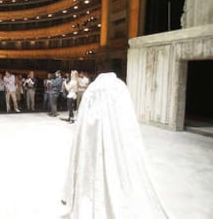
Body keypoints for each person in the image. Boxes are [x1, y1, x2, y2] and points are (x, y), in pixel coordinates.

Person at [61, 73, 168, 219]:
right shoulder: (120, 88)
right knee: (117, 164)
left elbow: (84, 118)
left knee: (93, 165)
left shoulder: (93, 89)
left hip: (92, 135)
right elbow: (127, 116)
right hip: (118, 135)